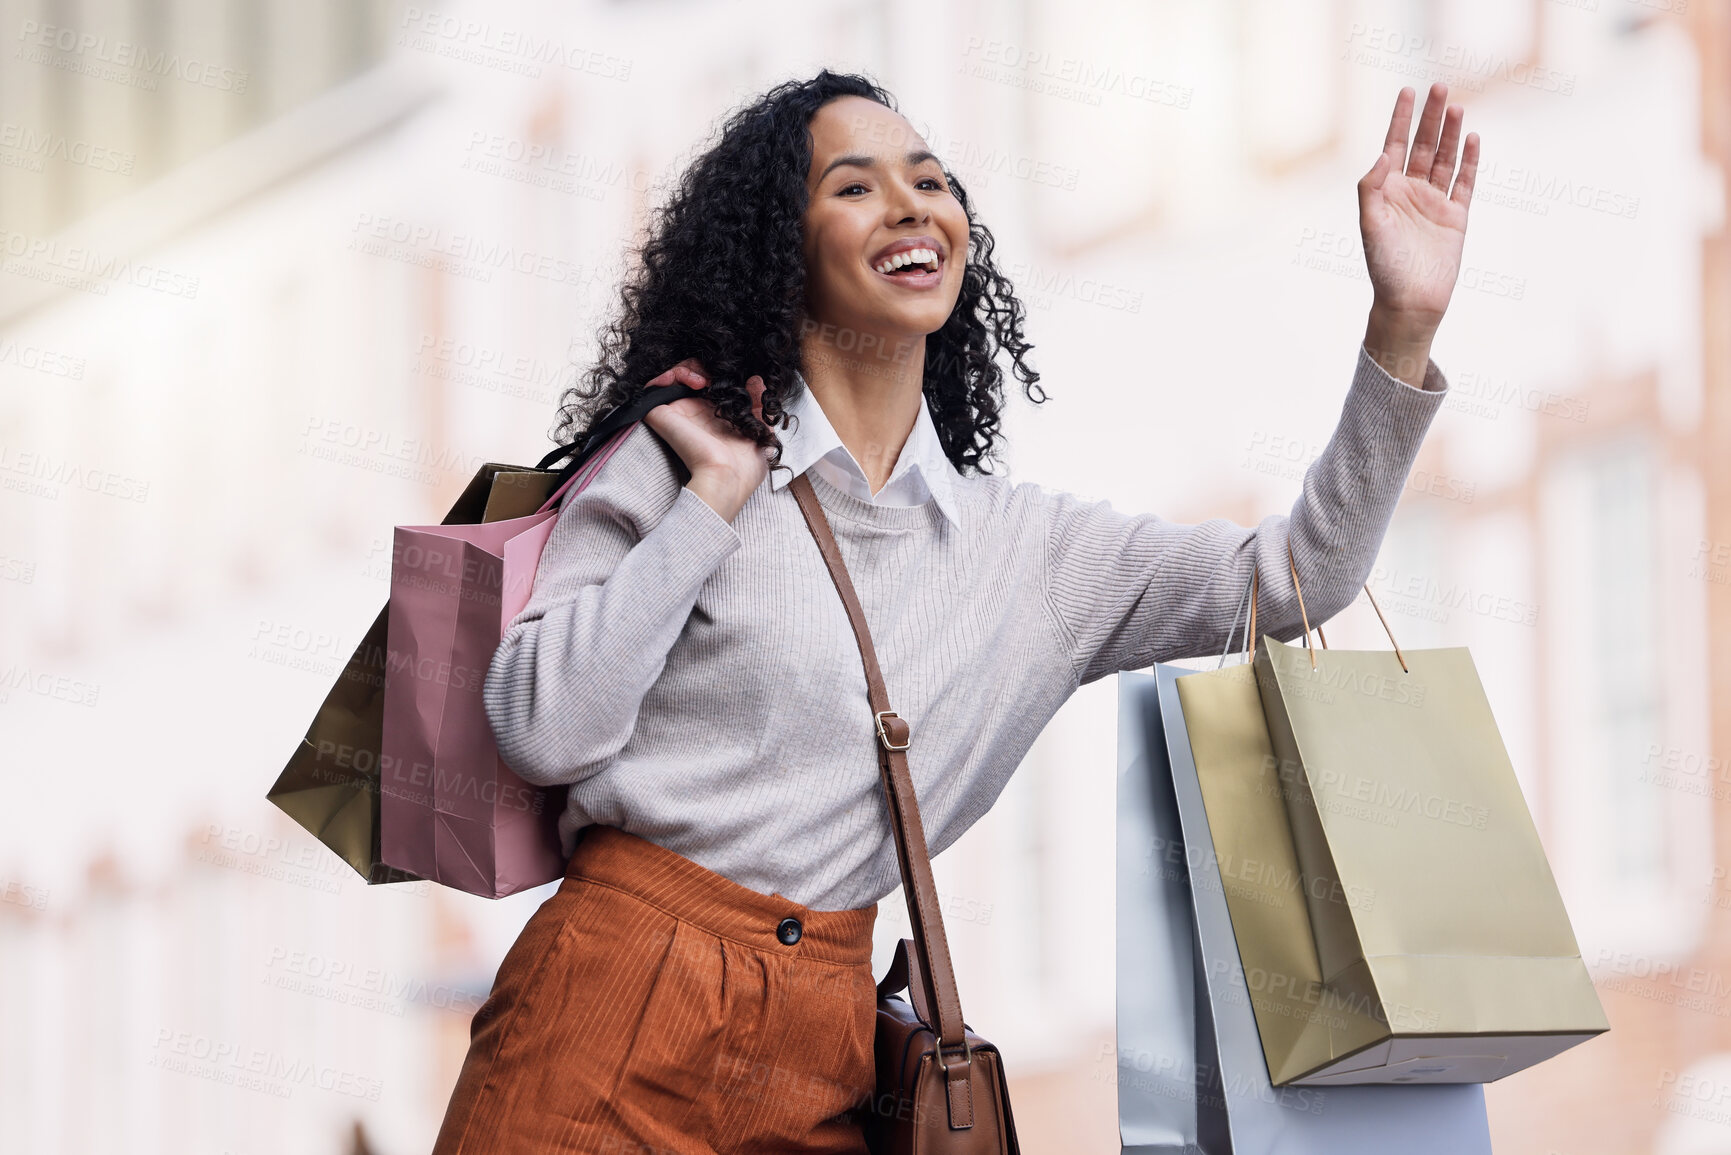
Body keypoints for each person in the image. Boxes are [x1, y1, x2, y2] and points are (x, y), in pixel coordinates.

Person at [432, 70, 1477, 1154]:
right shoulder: (680, 463)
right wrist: (712, 505)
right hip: (615, 1005)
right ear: (780, 249)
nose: (911, 204)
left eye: (930, 180)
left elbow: (1300, 574)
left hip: (825, 1046)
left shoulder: (1028, 556)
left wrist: (1401, 326)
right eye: (855, 186)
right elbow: (543, 726)